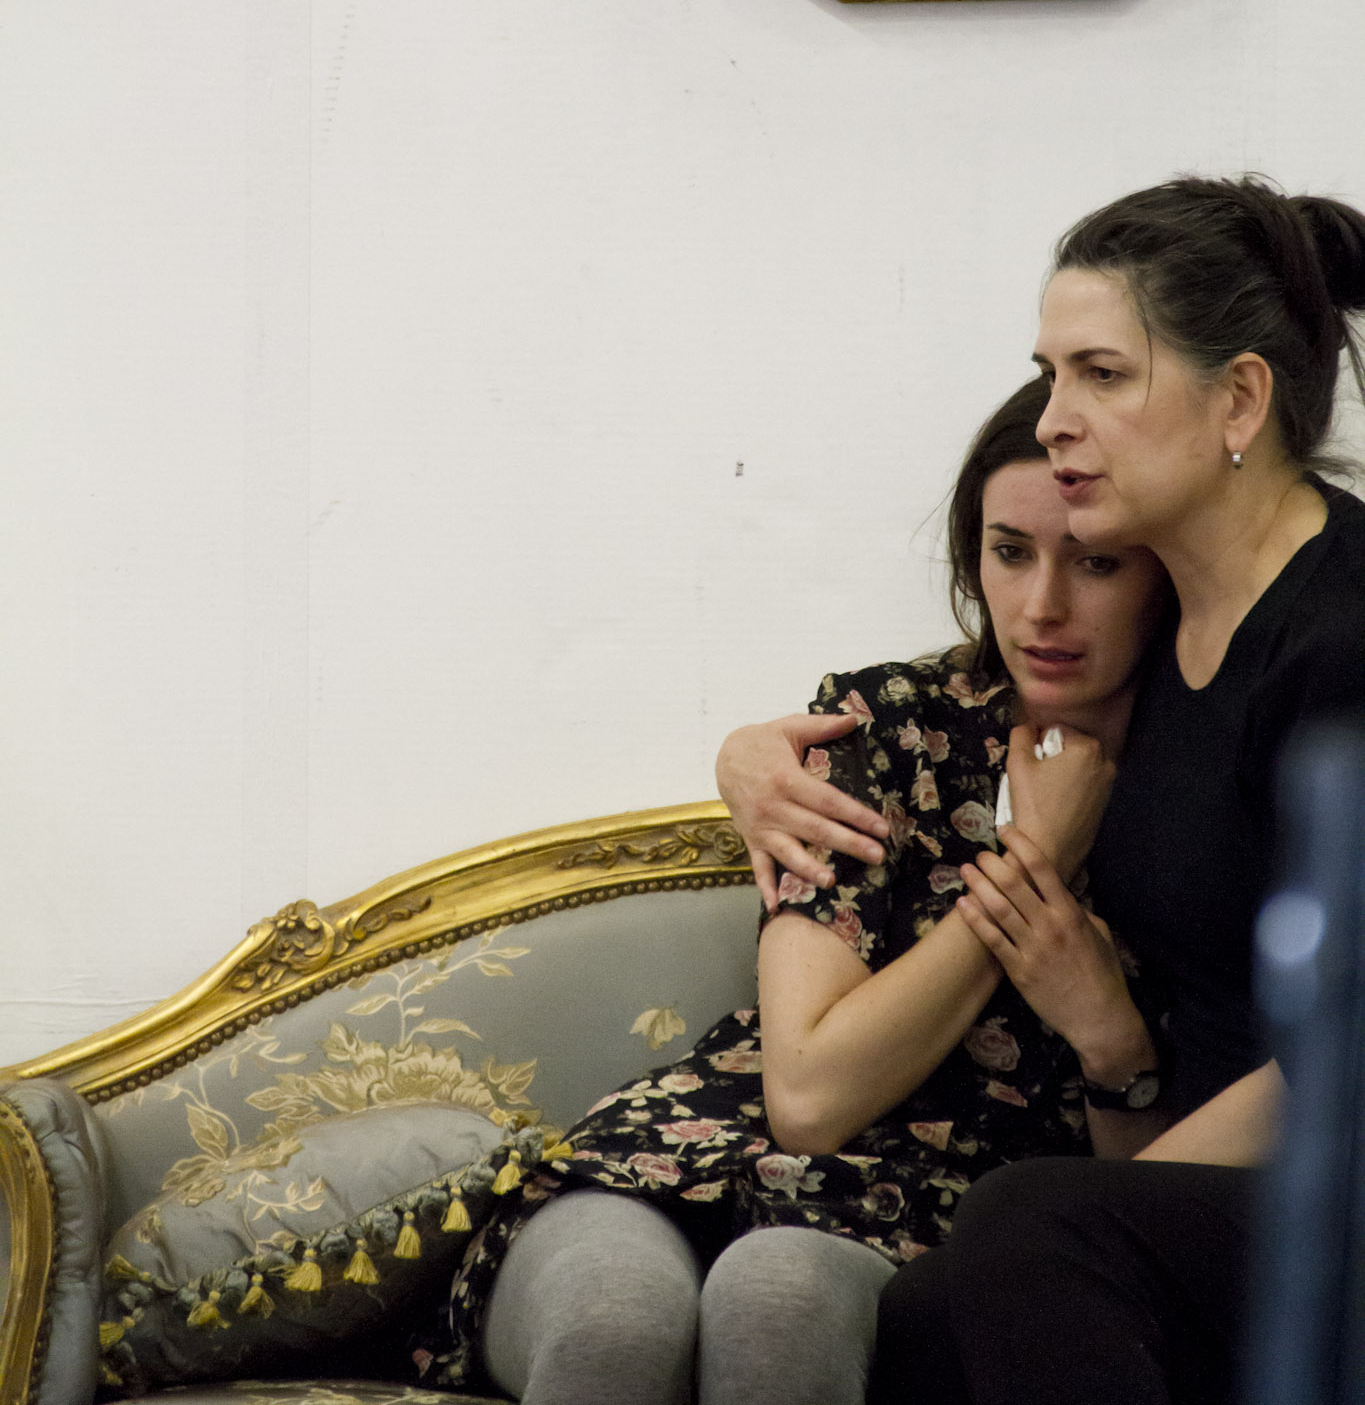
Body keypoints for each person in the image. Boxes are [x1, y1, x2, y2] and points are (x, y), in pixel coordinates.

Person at [721, 176, 1365, 1405]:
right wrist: (749, 758)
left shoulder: (1339, 635)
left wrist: (1129, 1192)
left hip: (1330, 1177)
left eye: (1101, 375)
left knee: (1023, 1234)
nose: (1056, 419)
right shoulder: (1177, 612)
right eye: (1050, 372)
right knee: (927, 1309)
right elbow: (947, 707)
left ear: (1239, 397)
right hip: (1211, 1182)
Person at [409, 378, 1170, 1403]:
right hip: (679, 1163)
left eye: (1096, 561)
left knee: (777, 1301)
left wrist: (1098, 1006)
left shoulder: (1208, 791)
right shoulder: (887, 727)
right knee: (614, 1326)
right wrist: (1028, 868)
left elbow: (1149, 1173)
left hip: (922, 1227)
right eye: (1009, 551)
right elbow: (807, 1093)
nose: (1041, 605)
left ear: (1163, 564)